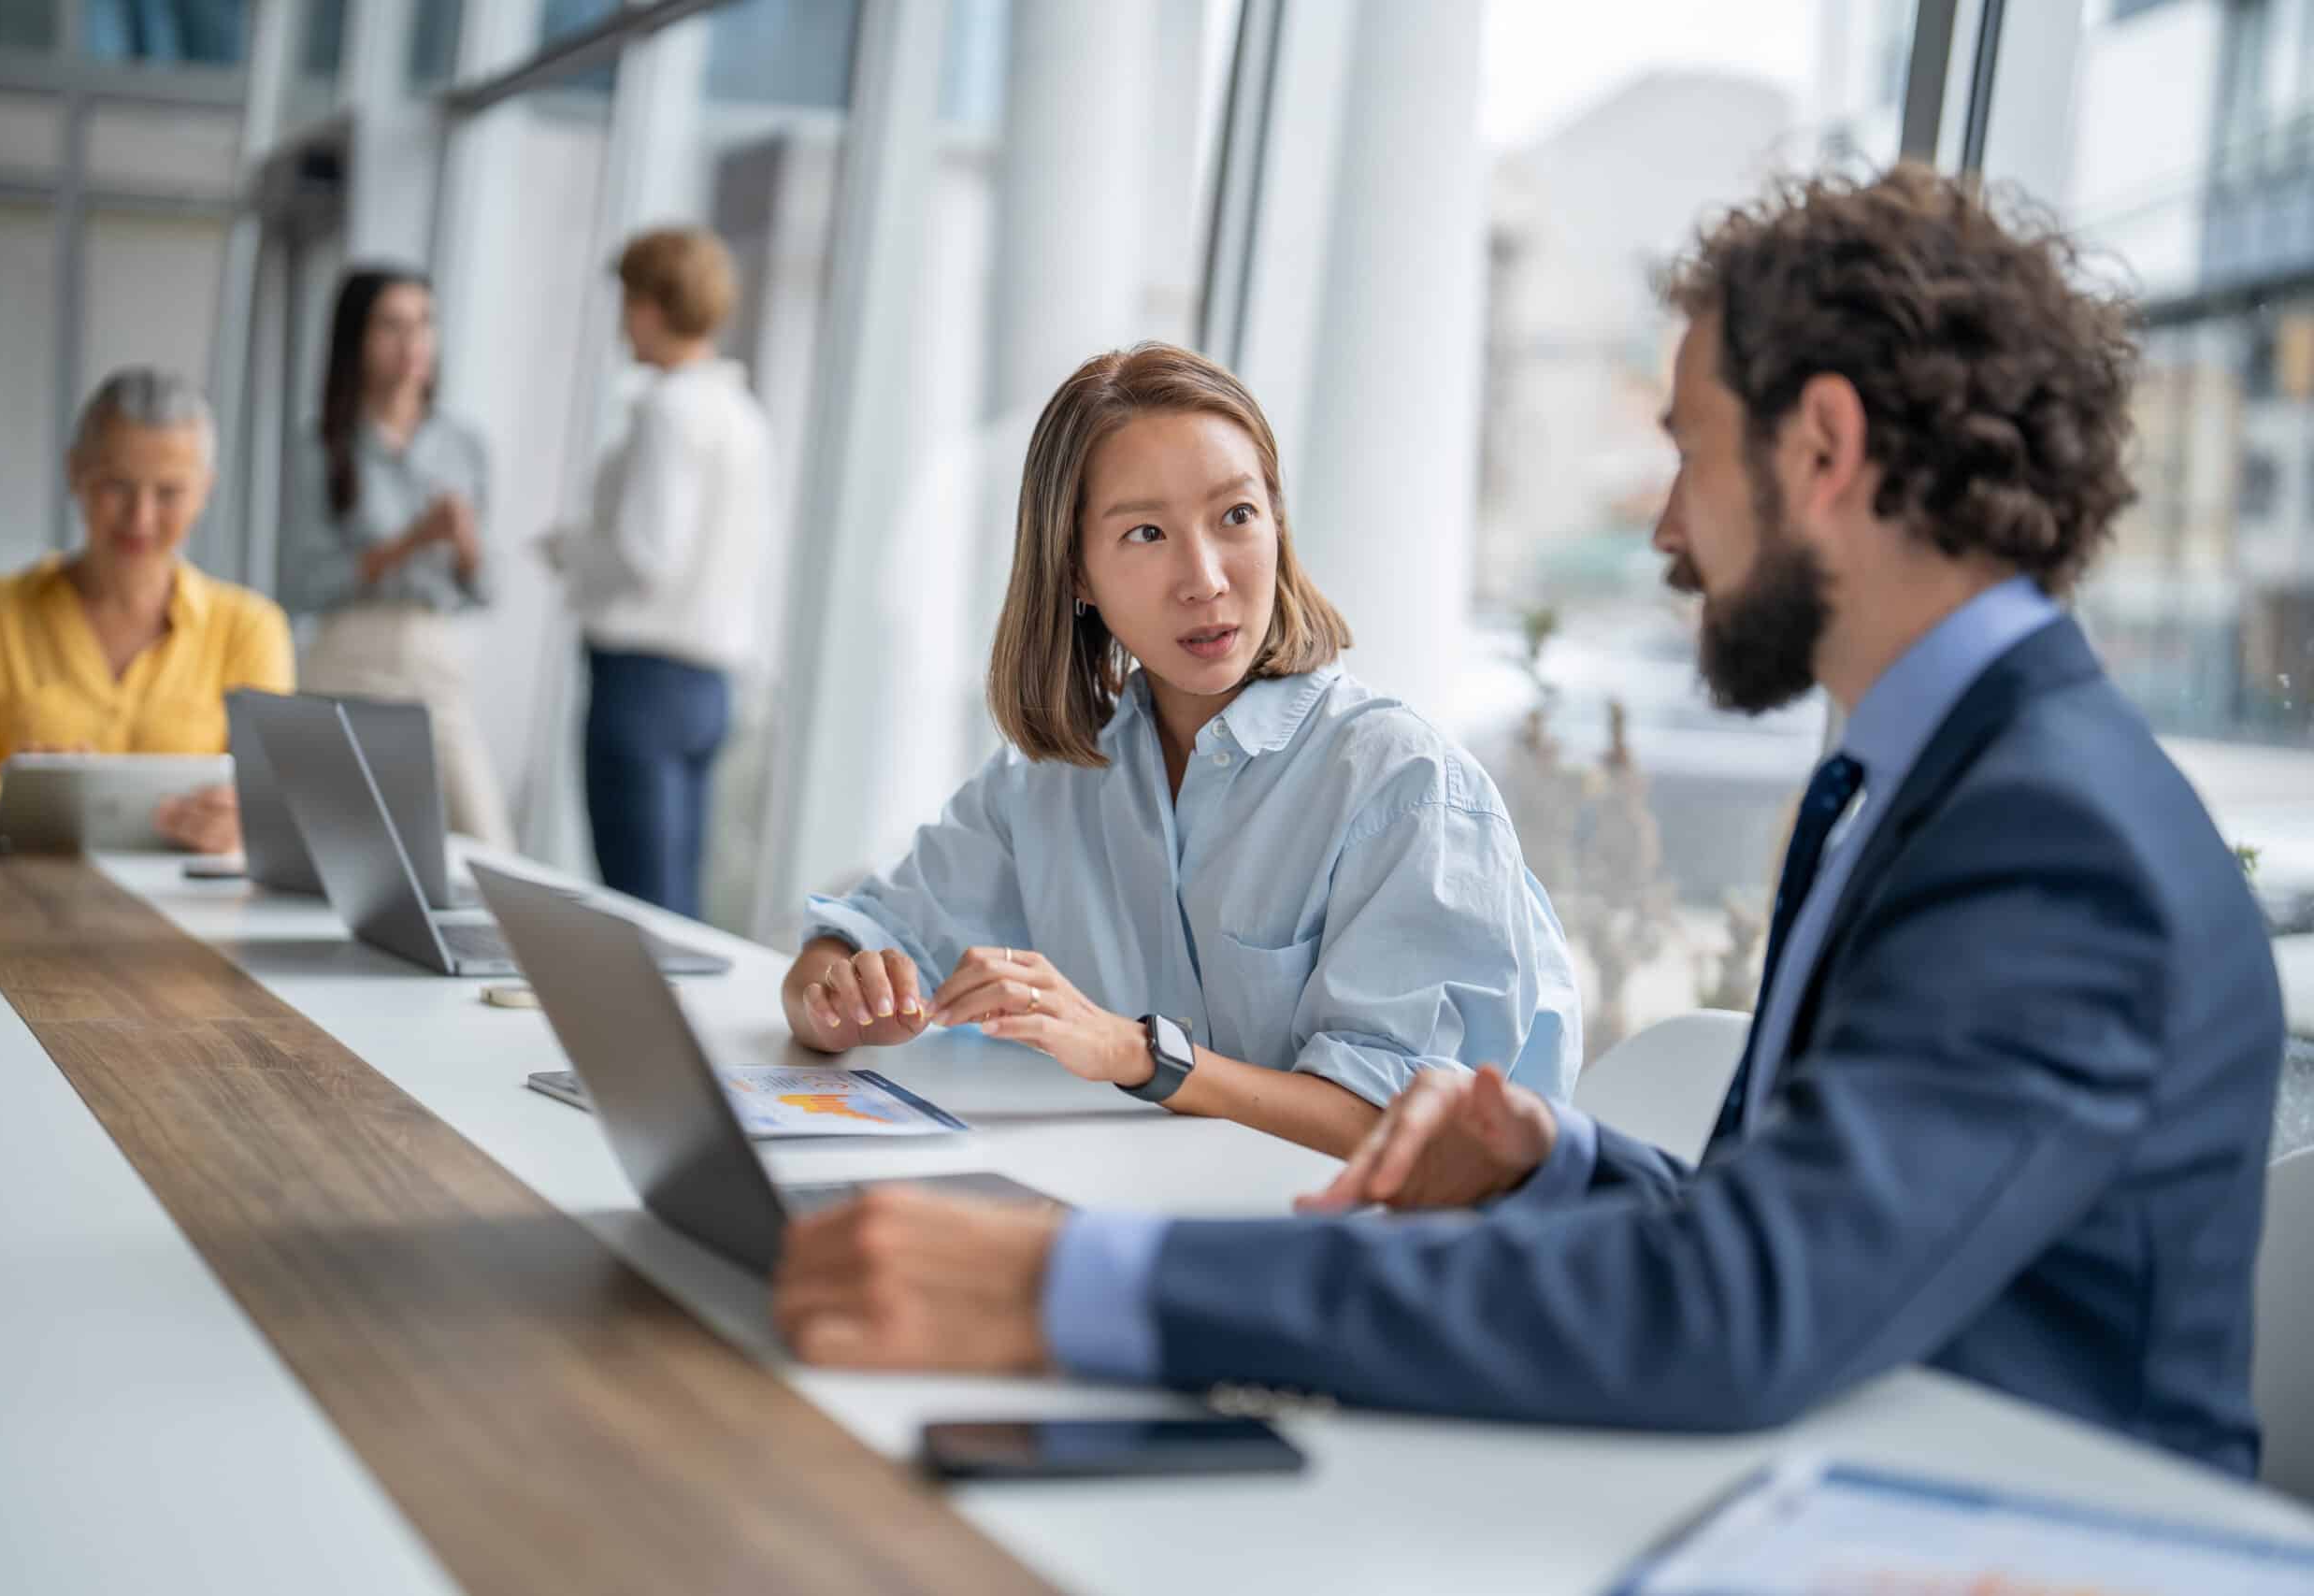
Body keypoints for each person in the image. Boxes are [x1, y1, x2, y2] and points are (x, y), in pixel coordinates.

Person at [768, 166, 2287, 1479]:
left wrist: (1069, 1285)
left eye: (1687, 450)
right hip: (1855, 1472)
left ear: (1820, 450)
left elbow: (1744, 1312)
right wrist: (1552, 1162)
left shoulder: (2048, 842)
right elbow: (1810, 1238)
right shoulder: (1923, 786)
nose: (1665, 526)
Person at [780, 342, 1579, 1157]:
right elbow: (853, 938)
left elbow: (1395, 1128)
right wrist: (837, 996)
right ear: (1076, 574)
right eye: (1147, 532)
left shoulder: (1403, 784)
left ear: (1276, 522)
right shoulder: (1047, 784)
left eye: (1236, 516)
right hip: (1157, 1208)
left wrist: (1135, 1052)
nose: (1204, 578)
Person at [0, 367, 292, 853]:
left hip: (192, 908)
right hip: (17, 900)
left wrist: (248, 823)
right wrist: (13, 803)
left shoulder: (251, 628)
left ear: (205, 491)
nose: (140, 517)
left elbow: (273, 800)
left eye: (168, 493)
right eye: (116, 485)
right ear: (75, 471)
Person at [540, 226, 774, 918]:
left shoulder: (668, 410)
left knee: (636, 909)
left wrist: (567, 547)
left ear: (647, 304)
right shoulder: (742, 414)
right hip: (707, 688)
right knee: (674, 906)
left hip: (642, 683)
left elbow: (649, 552)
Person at [279, 266, 513, 851]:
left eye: (423, 325)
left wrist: (464, 543)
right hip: (347, 659)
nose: (412, 344)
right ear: (357, 338)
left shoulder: (464, 445)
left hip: (432, 657)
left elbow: (484, 589)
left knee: (488, 842)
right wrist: (407, 543)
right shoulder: (321, 447)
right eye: (391, 326)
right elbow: (303, 583)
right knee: (334, 850)